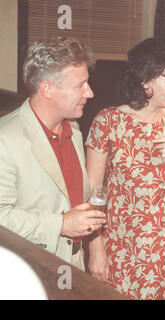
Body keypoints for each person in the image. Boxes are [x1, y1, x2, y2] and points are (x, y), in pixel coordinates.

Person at [85, 37, 165, 300]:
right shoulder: (107, 121)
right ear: (145, 80)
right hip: (119, 245)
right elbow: (91, 192)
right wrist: (95, 248)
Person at [0, 37, 106, 270]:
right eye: (80, 85)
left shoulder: (74, 129)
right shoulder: (5, 139)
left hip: (73, 267)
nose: (90, 92)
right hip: (27, 271)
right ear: (47, 88)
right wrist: (59, 224)